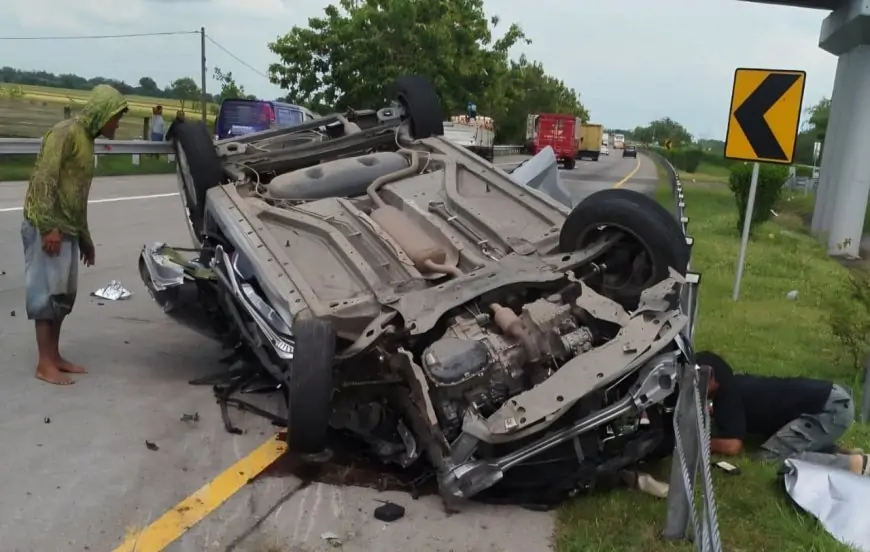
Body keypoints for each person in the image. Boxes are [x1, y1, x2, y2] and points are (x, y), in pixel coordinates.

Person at [22, 84, 128, 385]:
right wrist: (48, 227)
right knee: (45, 295)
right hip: (47, 226)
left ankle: (54, 356)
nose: (117, 124)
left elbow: (77, 195)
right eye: (116, 117)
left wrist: (84, 237)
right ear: (102, 113)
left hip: (67, 228)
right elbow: (45, 179)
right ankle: (44, 363)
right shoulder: (65, 133)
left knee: (63, 296)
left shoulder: (87, 140)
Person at [699, 351, 870, 477]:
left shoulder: (728, 396)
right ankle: (841, 453)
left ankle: (854, 465)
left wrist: (698, 442)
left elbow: (732, 446)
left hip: (830, 409)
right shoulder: (736, 385)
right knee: (784, 443)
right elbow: (736, 414)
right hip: (832, 400)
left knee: (768, 458)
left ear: (711, 377)